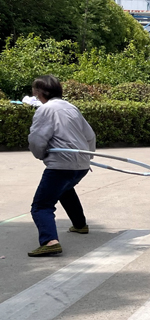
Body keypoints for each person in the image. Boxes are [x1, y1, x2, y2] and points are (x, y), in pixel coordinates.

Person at [27, 75, 96, 257]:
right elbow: (90, 135)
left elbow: (37, 139)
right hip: (81, 165)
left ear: (40, 93)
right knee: (65, 189)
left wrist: (40, 155)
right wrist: (87, 157)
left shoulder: (45, 110)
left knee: (41, 206)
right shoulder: (71, 107)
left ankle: (50, 241)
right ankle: (80, 225)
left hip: (61, 164)